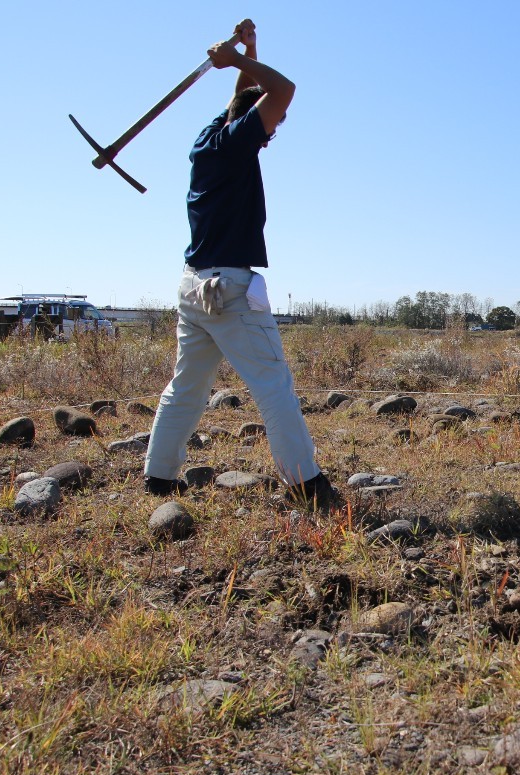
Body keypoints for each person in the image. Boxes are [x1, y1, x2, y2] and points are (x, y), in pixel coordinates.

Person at [143, 19, 336, 510]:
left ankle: (159, 477)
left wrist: (248, 49)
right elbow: (283, 89)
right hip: (228, 289)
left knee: (186, 384)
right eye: (272, 123)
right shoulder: (234, 145)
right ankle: (306, 485)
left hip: (192, 286)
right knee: (274, 386)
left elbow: (243, 99)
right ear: (254, 123)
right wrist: (241, 61)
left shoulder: (209, 140)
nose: (276, 128)